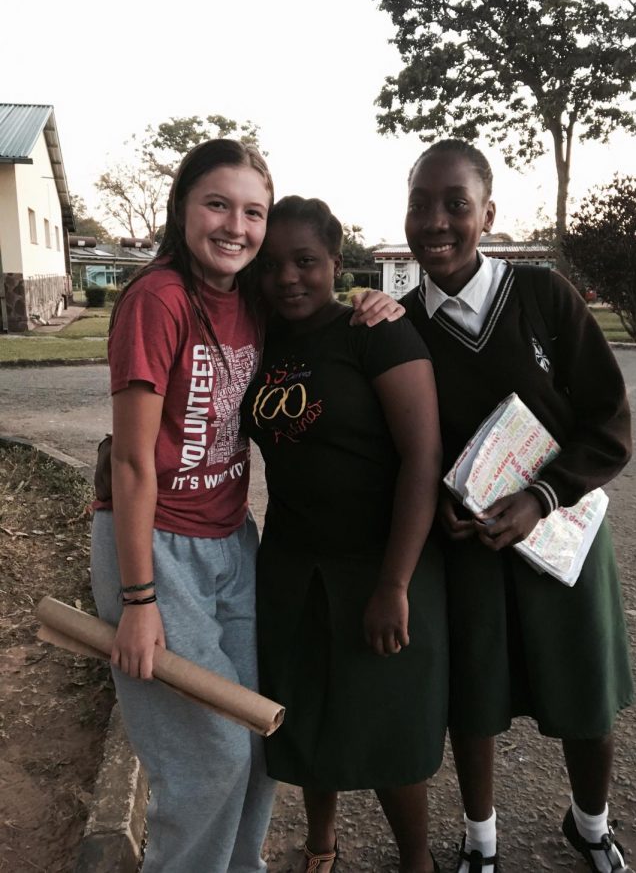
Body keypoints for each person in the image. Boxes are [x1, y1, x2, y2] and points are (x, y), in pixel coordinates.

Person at [90, 140, 401, 873]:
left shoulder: (252, 298)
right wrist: (138, 601)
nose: (235, 225)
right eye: (217, 204)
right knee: (208, 757)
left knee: (256, 743)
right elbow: (134, 460)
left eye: (251, 211)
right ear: (183, 208)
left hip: (232, 540)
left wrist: (379, 298)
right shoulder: (157, 299)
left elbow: (316, 299)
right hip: (156, 548)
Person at [399, 139, 634, 873]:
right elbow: (395, 447)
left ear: (487, 213)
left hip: (557, 537)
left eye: (455, 204)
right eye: (420, 203)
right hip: (466, 547)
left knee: (584, 695)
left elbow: (608, 422)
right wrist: (434, 504)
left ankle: (589, 825)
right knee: (473, 704)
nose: (435, 221)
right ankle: (480, 841)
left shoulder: (543, 297)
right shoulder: (398, 324)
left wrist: (542, 496)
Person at [240, 196, 449, 873]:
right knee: (307, 715)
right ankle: (320, 844)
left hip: (380, 561)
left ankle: (414, 860)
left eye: (305, 261)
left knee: (386, 723)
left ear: (335, 261)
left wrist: (393, 583)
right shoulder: (258, 337)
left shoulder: (374, 332)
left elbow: (423, 456)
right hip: (293, 563)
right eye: (270, 265)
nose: (287, 278)